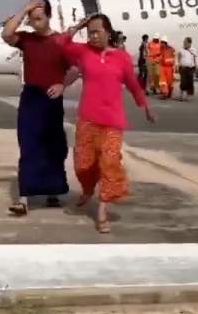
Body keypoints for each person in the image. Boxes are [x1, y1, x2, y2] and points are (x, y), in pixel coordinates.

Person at [58, 13, 155, 234]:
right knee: (83, 164)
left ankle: (102, 210)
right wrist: (78, 26)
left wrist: (145, 106)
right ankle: (88, 189)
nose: (93, 36)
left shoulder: (121, 57)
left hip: (112, 122)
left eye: (97, 32)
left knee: (109, 163)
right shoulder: (82, 52)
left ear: (108, 32)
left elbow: (132, 84)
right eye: (90, 32)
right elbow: (60, 44)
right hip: (87, 119)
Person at [0, 0, 73, 215]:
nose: (35, 23)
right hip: (31, 97)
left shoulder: (61, 41)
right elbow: (6, 33)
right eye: (32, 19)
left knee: (53, 146)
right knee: (28, 145)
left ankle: (53, 191)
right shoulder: (26, 39)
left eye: (39, 18)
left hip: (51, 99)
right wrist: (25, 9)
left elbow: (76, 68)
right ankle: (24, 198)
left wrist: (62, 84)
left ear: (49, 16)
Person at [176, 37, 198, 101]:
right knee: (183, 81)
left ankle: (188, 95)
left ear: (189, 43)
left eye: (186, 42)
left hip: (191, 68)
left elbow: (197, 57)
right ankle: (180, 94)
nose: (184, 43)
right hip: (183, 67)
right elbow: (178, 57)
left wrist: (197, 65)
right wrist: (177, 65)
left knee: (190, 82)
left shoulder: (193, 50)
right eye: (184, 42)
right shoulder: (181, 50)